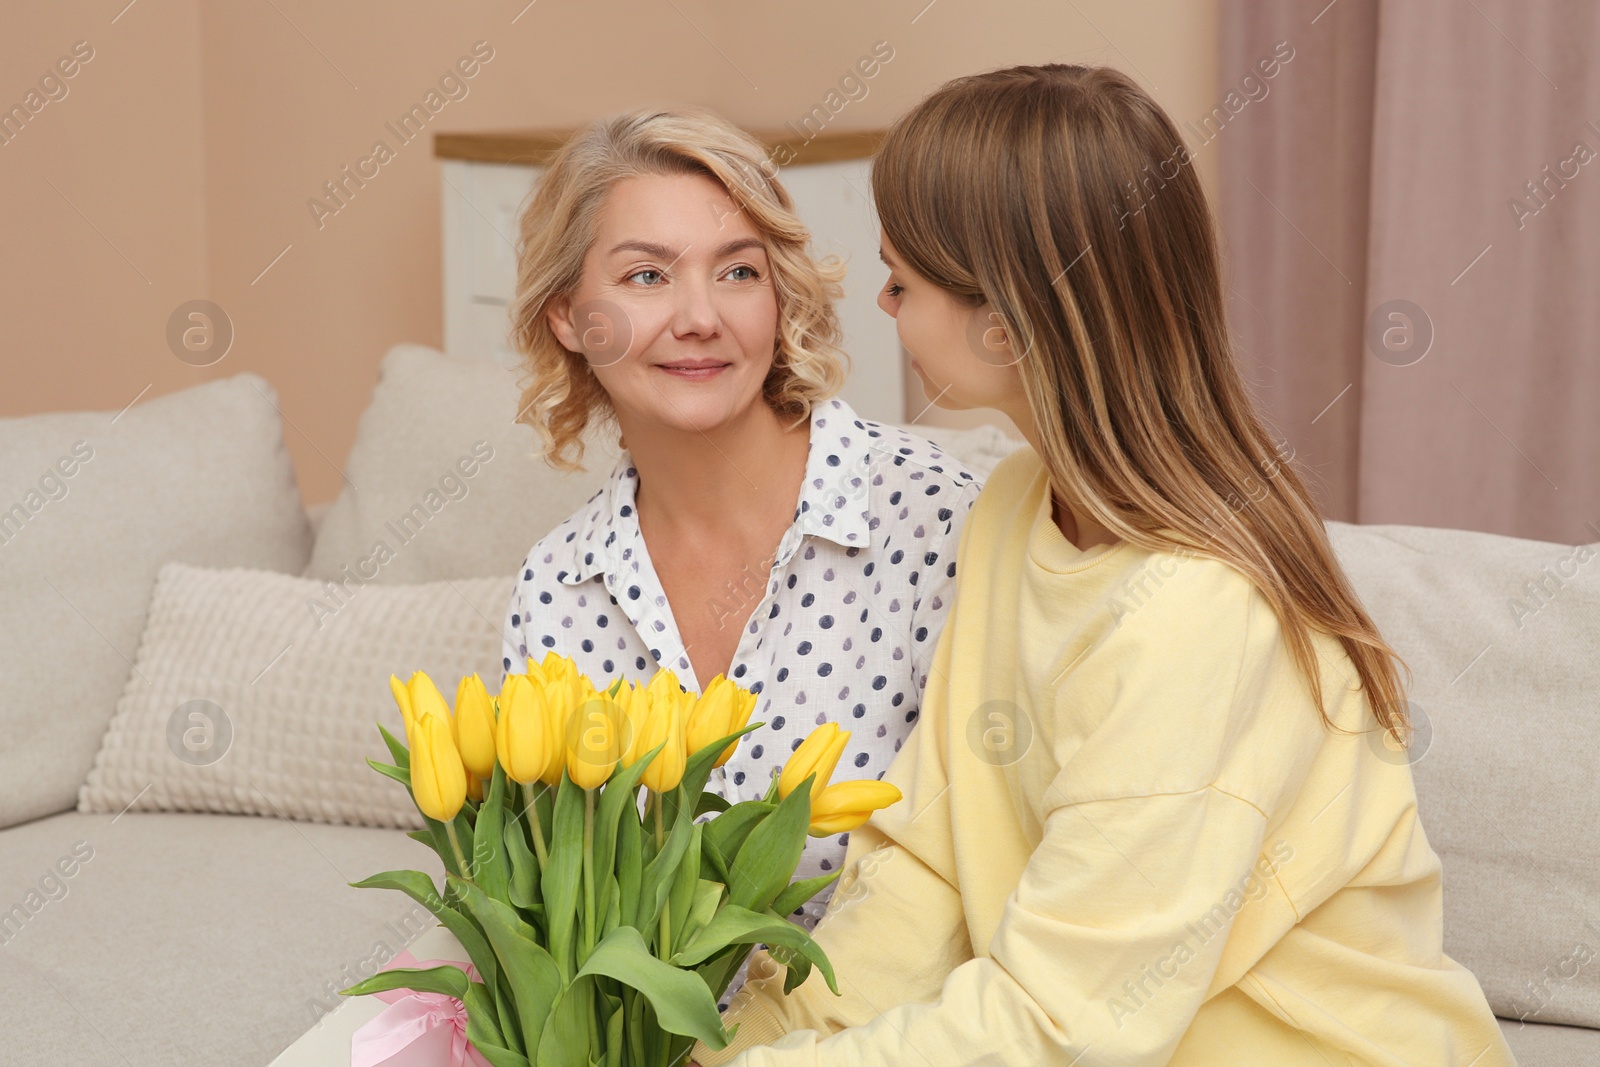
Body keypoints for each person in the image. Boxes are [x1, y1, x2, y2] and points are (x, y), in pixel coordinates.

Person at [690, 64, 1516, 1066]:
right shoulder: (1010, 509)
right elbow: (926, 867)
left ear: (1007, 315)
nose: (882, 301)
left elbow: (1064, 1023)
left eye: (902, 279)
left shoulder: (1197, 611)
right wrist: (744, 1045)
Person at [497, 105, 983, 1005]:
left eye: (738, 273)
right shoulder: (558, 589)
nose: (700, 317)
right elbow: (553, 924)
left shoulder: (927, 516)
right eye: (647, 275)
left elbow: (978, 882)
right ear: (568, 317)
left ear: (780, 297)